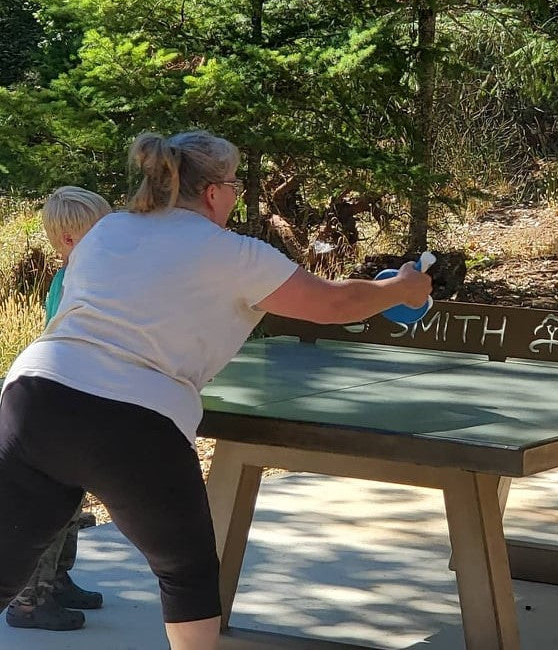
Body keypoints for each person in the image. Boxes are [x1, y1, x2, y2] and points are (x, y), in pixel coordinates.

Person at [0, 131, 432, 650]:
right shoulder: (236, 254)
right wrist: (402, 289)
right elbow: (334, 304)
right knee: (186, 573)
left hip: (32, 396)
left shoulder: (109, 229)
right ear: (213, 193)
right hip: (130, 419)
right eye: (233, 187)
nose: (235, 197)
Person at [5, 186, 111, 632]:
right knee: (49, 505)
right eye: (99, 234)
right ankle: (29, 601)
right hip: (59, 400)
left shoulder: (86, 276)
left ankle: (58, 579)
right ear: (69, 241)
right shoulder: (74, 282)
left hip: (77, 399)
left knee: (71, 501)